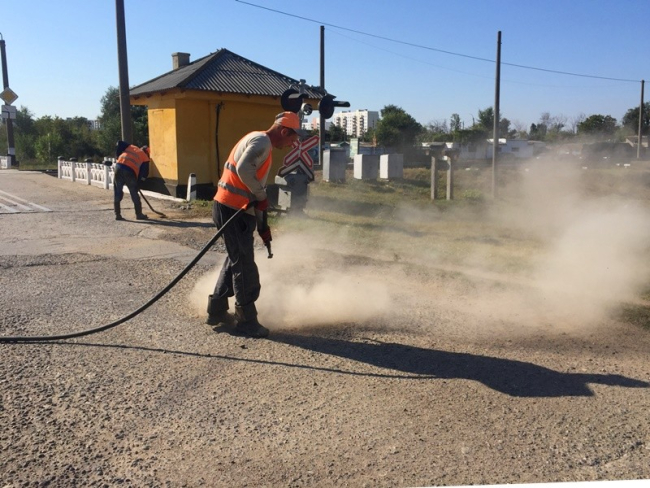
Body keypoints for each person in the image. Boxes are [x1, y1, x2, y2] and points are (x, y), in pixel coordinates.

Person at [207, 111, 301, 338]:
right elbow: (244, 170)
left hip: (231, 208)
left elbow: (254, 189)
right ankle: (247, 321)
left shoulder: (257, 139)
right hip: (233, 209)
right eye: (293, 139)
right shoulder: (262, 142)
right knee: (244, 265)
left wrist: (262, 226)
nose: (292, 145)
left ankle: (216, 310)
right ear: (284, 131)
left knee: (235, 258)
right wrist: (261, 196)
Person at [114, 142, 151, 221]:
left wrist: (117, 156)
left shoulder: (132, 147)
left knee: (118, 191)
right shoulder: (145, 157)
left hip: (118, 167)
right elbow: (144, 173)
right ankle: (139, 214)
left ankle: (117, 214)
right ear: (147, 153)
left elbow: (119, 143)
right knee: (134, 192)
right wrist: (139, 183)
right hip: (129, 172)